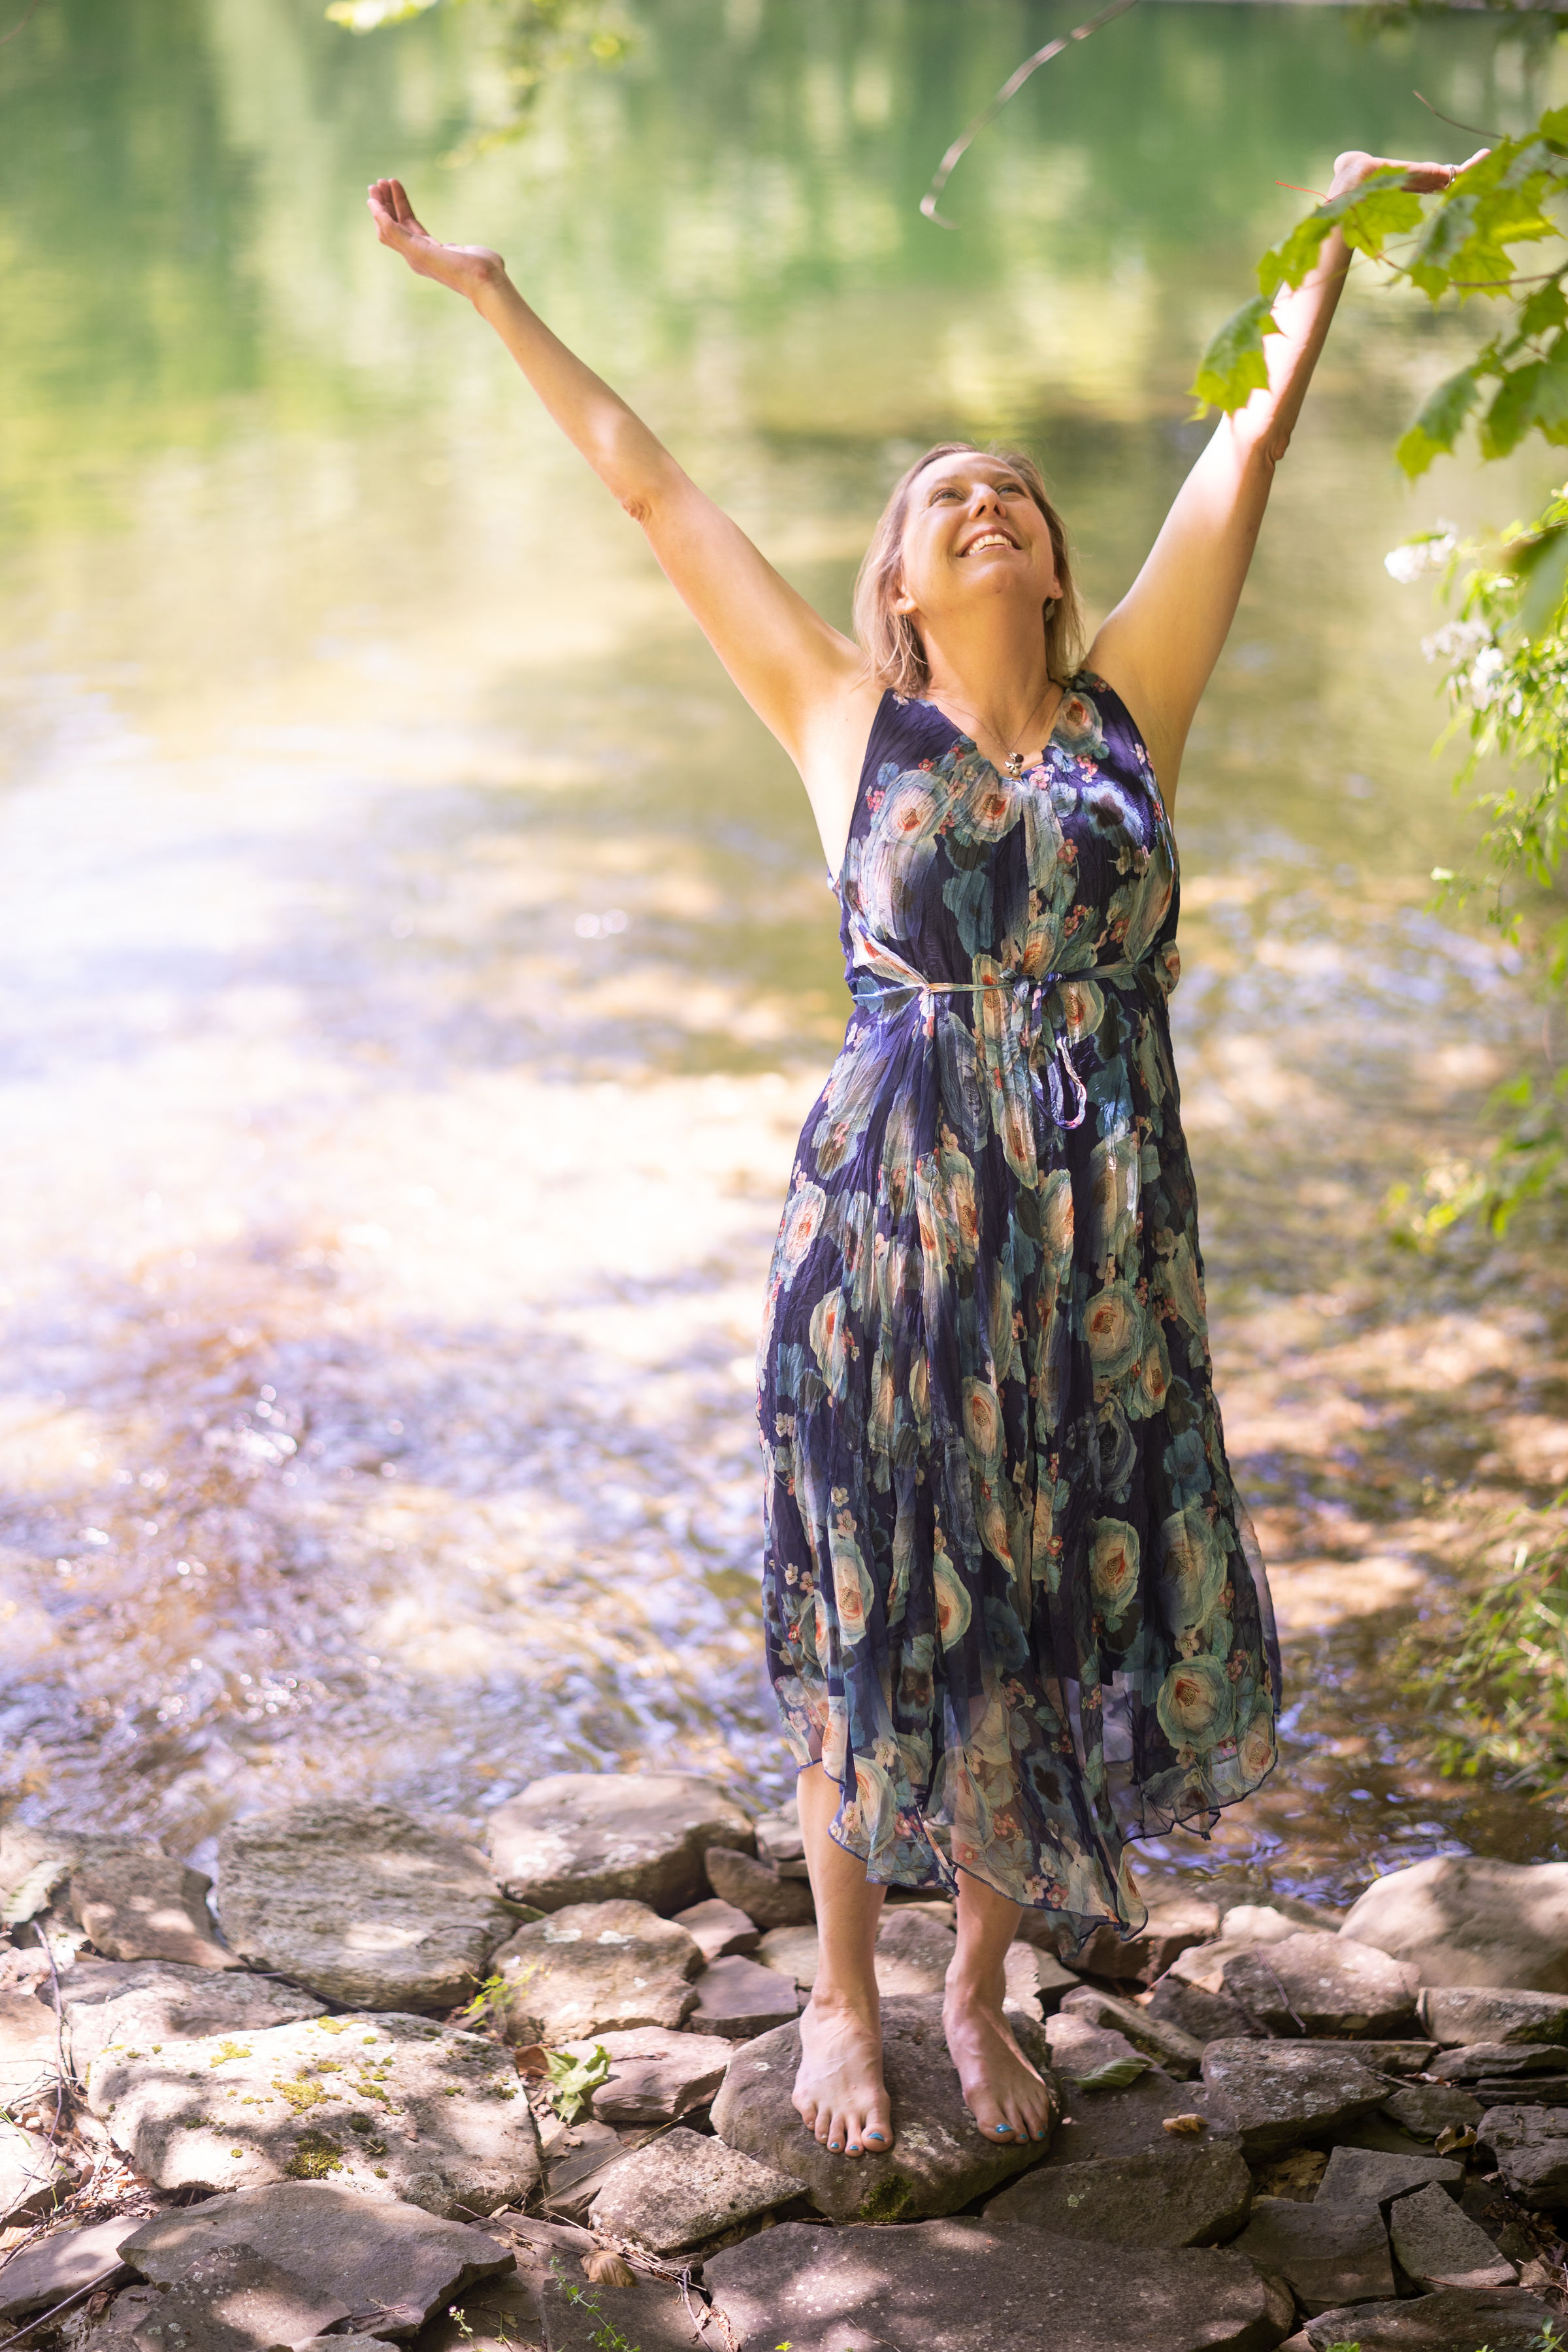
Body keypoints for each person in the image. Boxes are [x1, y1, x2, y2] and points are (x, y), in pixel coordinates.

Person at [368, 146, 1470, 2164]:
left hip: (1102, 1235)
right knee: (886, 1600)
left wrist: (1325, 227)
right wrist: (494, 294)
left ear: (1052, 565)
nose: (983, 501)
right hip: (890, 1238)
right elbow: (653, 492)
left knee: (1041, 1597)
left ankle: (979, 1986)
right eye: (940, 497)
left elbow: (1248, 448)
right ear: (898, 583)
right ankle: (841, 2003)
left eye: (1016, 494)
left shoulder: (1139, 703)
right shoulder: (835, 726)